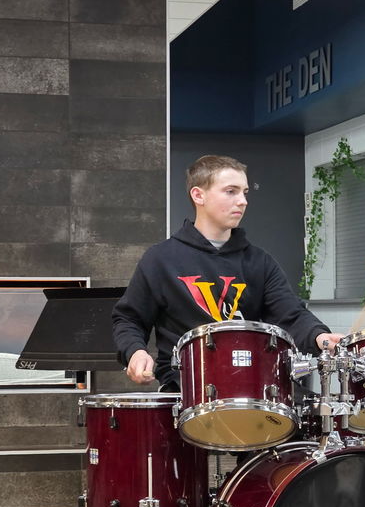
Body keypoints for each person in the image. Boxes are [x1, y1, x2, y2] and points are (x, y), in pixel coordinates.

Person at [112, 154, 343, 389]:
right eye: (231, 191)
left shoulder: (259, 262)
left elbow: (290, 314)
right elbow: (129, 318)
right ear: (198, 195)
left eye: (244, 192)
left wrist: (320, 337)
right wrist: (135, 352)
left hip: (250, 384)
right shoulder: (161, 259)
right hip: (184, 390)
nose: (242, 201)